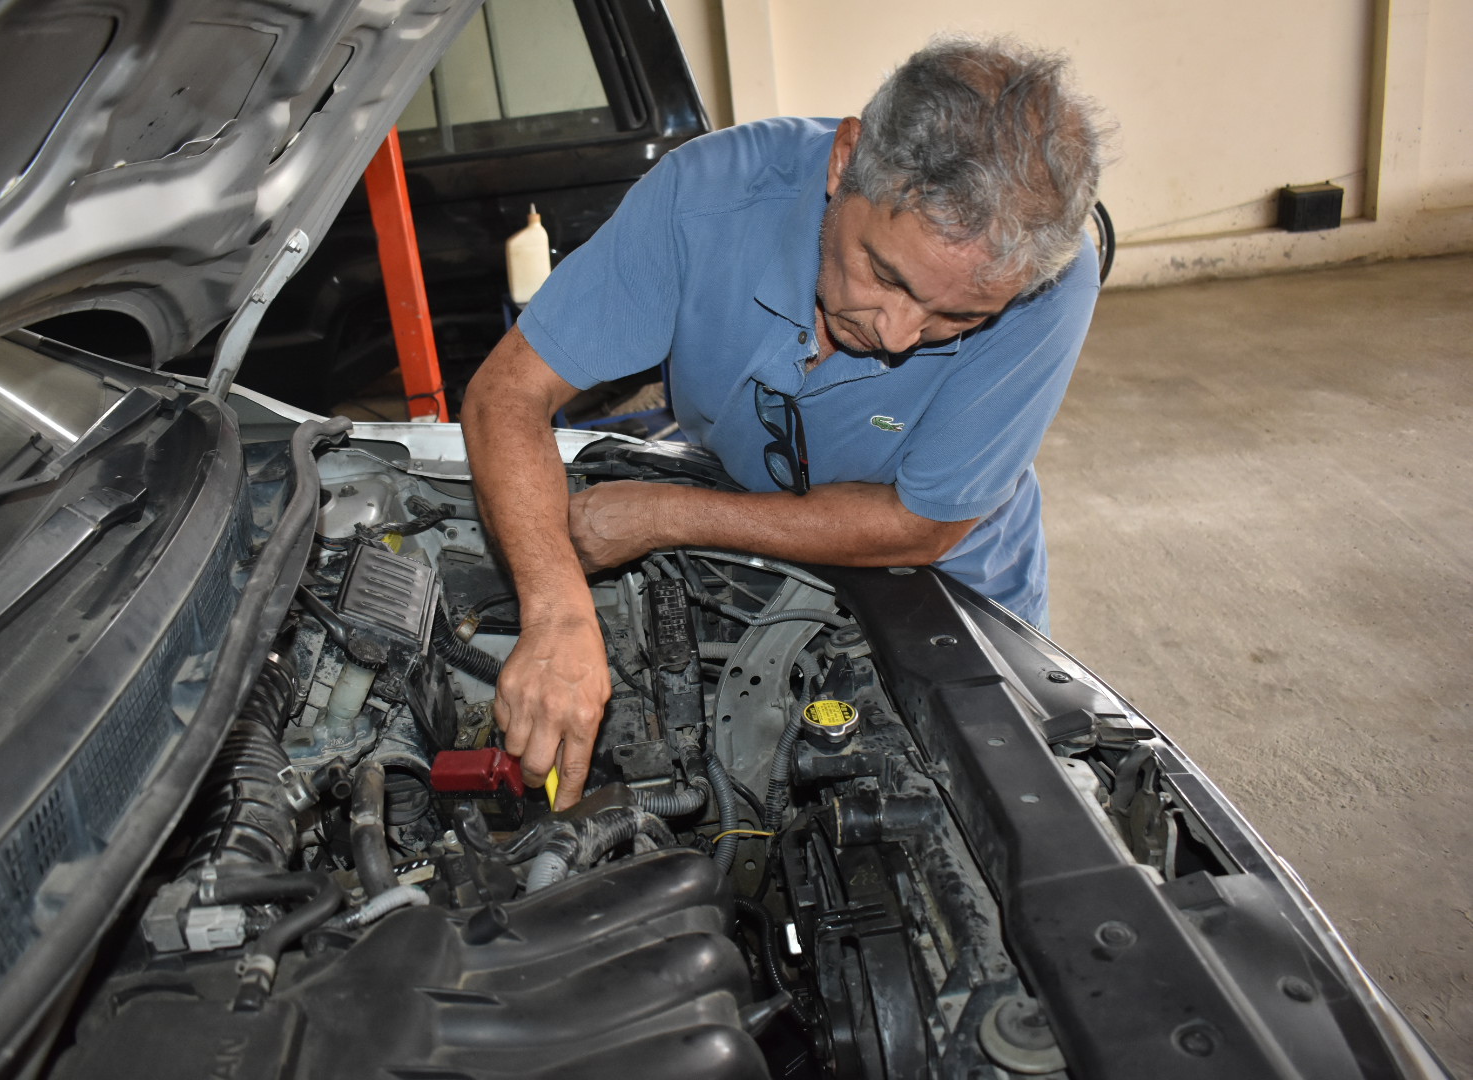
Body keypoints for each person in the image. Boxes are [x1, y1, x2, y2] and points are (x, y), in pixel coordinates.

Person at [460, 35, 1107, 808]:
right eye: (886, 274)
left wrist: (665, 515)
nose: (898, 334)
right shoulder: (706, 198)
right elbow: (506, 394)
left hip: (951, 593)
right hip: (757, 552)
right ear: (845, 162)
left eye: (958, 317)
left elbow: (921, 526)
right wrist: (557, 614)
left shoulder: (1049, 286)